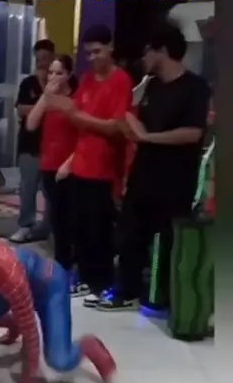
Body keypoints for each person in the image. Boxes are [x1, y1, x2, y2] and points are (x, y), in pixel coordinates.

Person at [97, 20, 211, 311]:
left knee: (167, 239)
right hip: (143, 175)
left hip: (175, 179)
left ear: (162, 50)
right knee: (130, 235)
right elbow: (137, 121)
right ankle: (126, 291)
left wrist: (150, 138)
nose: (143, 57)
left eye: (148, 50)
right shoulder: (151, 86)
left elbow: (193, 132)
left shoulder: (195, 88)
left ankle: (162, 295)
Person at [0, 246, 116, 383]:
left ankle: (87, 345)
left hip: (49, 287)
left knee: (59, 361)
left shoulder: (8, 273)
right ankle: (12, 323)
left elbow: (31, 338)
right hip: (5, 285)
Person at [56, 26, 133, 303]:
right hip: (81, 164)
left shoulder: (121, 81)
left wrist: (79, 117)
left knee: (99, 229)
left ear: (110, 47)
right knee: (80, 227)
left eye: (97, 51)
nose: (92, 58)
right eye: (88, 53)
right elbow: (75, 116)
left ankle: (101, 283)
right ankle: (85, 278)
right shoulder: (87, 79)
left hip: (104, 168)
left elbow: (115, 127)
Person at [26, 54, 78, 271]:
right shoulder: (47, 99)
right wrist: (45, 97)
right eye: (51, 73)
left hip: (71, 166)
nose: (54, 77)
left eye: (59, 73)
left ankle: (70, 265)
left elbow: (83, 134)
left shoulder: (75, 99)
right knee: (56, 218)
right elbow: (31, 124)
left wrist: (70, 162)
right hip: (49, 164)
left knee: (70, 219)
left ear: (69, 75)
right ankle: (61, 264)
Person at [10, 38, 55, 244]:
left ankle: (47, 227)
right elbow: (21, 110)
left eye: (46, 58)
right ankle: (25, 225)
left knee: (51, 192)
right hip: (29, 146)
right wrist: (44, 105)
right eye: (38, 59)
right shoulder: (27, 83)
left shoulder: (62, 84)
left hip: (53, 148)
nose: (42, 63)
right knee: (27, 188)